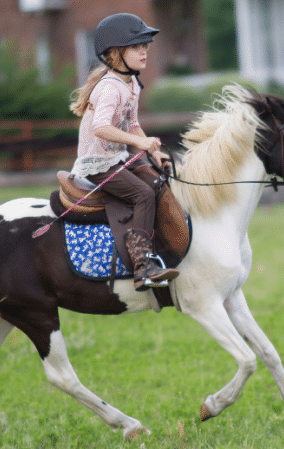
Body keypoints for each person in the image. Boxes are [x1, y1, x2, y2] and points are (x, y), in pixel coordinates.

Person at [69, 13, 179, 292]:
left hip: (116, 157)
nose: (144, 52)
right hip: (98, 163)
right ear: (116, 54)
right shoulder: (109, 88)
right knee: (142, 194)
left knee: (156, 182)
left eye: (145, 46)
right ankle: (142, 267)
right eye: (136, 47)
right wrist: (139, 143)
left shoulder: (131, 84)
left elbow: (133, 124)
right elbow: (100, 128)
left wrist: (153, 153)